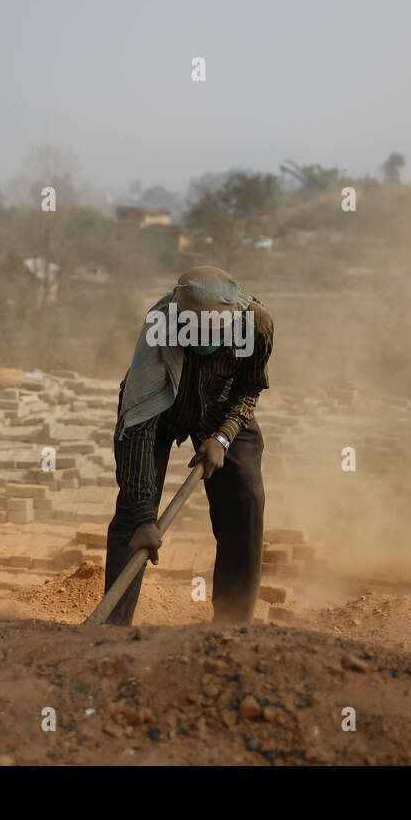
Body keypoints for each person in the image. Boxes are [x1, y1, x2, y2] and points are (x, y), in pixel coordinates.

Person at [104, 266, 274, 625]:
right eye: (193, 329)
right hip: (160, 403)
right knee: (133, 515)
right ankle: (113, 626)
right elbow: (139, 428)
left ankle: (233, 620)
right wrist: (145, 519)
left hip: (221, 406)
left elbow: (249, 388)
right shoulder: (158, 332)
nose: (203, 336)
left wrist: (224, 436)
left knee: (245, 497)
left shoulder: (256, 324)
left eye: (213, 330)